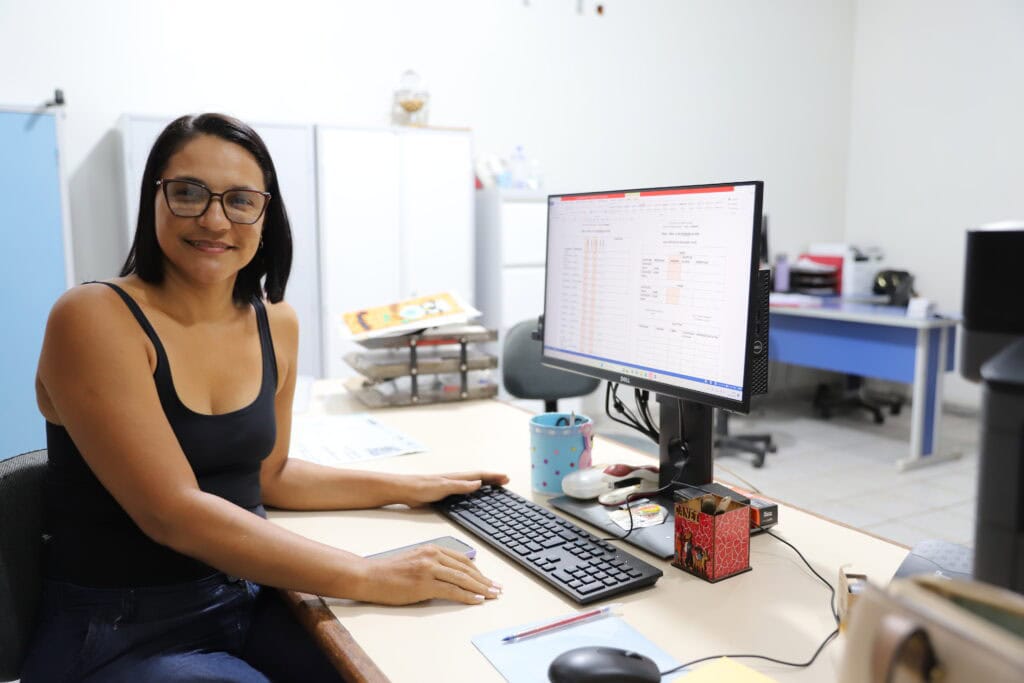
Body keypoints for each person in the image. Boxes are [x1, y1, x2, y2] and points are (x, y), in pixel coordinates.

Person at [22, 113, 508, 682]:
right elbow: (172, 513)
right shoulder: (94, 318)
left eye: (240, 201)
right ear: (153, 197)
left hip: (250, 596)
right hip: (123, 629)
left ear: (265, 212)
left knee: (421, 662)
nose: (213, 218)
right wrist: (367, 575)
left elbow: (270, 474)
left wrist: (413, 489)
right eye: (187, 193)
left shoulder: (275, 321)